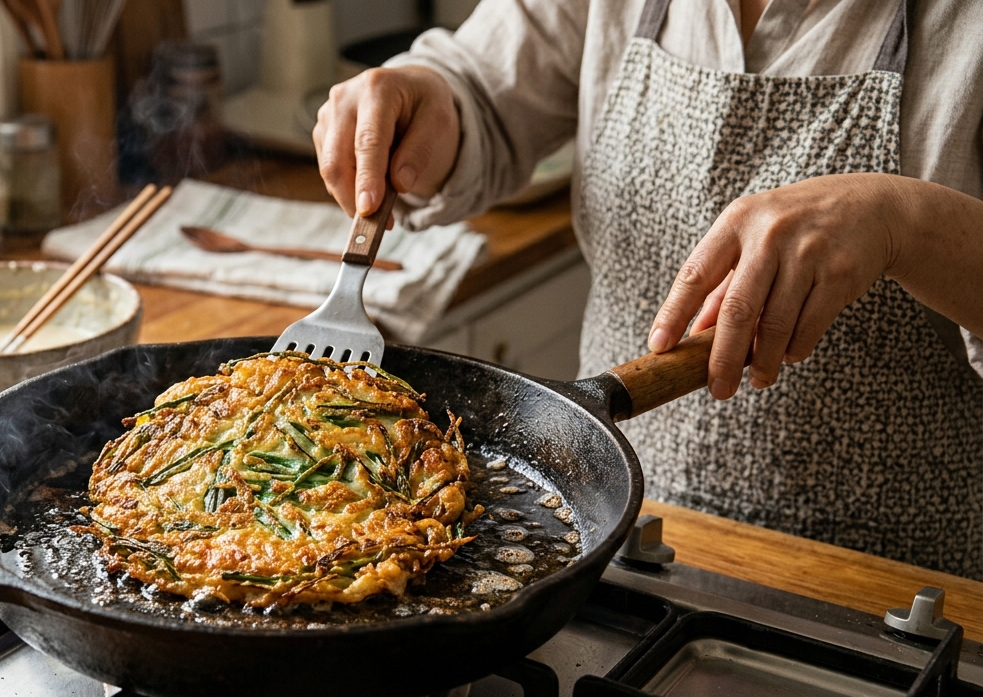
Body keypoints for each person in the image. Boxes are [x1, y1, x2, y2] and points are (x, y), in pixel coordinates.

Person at [313, 0, 983, 578]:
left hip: (891, 585)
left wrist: (907, 222)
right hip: (602, 535)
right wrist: (420, 99)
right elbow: (480, 88)